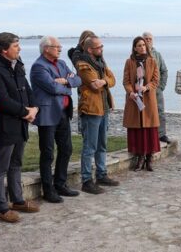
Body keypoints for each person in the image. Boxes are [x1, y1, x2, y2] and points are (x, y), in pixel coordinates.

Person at [0, 32, 40, 223]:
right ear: (4, 50)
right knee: (0, 167)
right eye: (16, 46)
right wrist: (25, 112)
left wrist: (34, 108)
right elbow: (1, 99)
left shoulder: (17, 64)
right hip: (5, 124)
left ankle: (18, 200)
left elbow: (27, 89)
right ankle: (1, 207)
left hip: (21, 122)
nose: (19, 48)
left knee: (16, 163)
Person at [31, 36, 82, 203]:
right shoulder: (39, 66)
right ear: (46, 48)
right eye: (56, 46)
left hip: (63, 113)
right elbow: (52, 88)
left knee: (66, 149)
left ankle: (60, 184)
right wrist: (67, 87)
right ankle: (48, 190)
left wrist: (65, 81)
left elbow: (78, 79)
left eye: (60, 46)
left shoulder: (61, 63)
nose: (60, 49)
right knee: (47, 153)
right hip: (48, 114)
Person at [75, 36, 119, 194]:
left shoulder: (101, 63)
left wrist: (104, 81)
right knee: (90, 146)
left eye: (102, 46)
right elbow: (94, 85)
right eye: (99, 47)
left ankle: (101, 174)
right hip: (91, 110)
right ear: (89, 49)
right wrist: (104, 81)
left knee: (102, 144)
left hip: (104, 108)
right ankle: (87, 180)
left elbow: (113, 80)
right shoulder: (83, 65)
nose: (101, 49)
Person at [122, 37, 161, 172]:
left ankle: (149, 158)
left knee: (149, 128)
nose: (142, 47)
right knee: (137, 128)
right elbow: (126, 81)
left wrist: (146, 87)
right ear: (135, 48)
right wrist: (131, 92)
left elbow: (156, 80)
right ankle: (139, 157)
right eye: (139, 45)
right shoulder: (129, 62)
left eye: (144, 45)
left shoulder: (152, 61)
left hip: (148, 99)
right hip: (134, 100)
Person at [142, 32, 170, 144]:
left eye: (150, 39)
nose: (148, 40)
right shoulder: (138, 54)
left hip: (156, 89)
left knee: (160, 112)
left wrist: (161, 87)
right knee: (145, 112)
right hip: (143, 90)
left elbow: (164, 71)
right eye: (146, 39)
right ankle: (147, 135)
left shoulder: (157, 55)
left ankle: (161, 134)